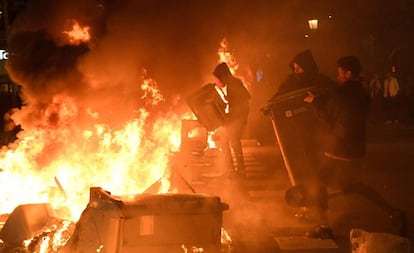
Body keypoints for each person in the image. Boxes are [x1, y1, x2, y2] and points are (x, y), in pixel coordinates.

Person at [304, 56, 406, 238]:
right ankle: (394, 212)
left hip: (340, 150)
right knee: (355, 186)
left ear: (349, 74)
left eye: (340, 73)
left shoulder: (341, 94)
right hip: (355, 149)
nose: (338, 77)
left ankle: (323, 226)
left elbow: (327, 117)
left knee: (318, 181)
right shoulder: (361, 94)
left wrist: (316, 103)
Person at [213, 62, 251, 178]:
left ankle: (236, 170)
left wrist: (235, 117)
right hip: (236, 118)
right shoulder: (232, 84)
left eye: (219, 78)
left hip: (237, 118)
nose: (218, 81)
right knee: (230, 142)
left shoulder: (234, 84)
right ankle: (235, 170)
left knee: (231, 141)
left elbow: (245, 99)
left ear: (224, 75)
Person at [271, 49, 335, 98]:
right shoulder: (290, 82)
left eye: (299, 67)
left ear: (306, 67)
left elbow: (331, 94)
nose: (295, 70)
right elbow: (280, 94)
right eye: (295, 67)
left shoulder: (322, 81)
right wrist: (270, 105)